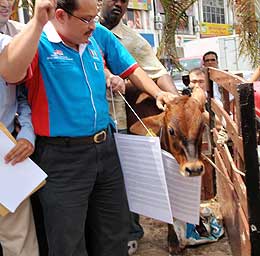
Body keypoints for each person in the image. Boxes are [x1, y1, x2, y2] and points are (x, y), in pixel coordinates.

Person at [0, 0, 175, 255]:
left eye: (94, 17)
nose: (94, 25)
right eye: (86, 19)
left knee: (113, 233)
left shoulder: (98, 36)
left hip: (105, 149)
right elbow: (12, 74)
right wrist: (37, 21)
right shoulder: (37, 42)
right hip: (61, 159)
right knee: (68, 241)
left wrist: (157, 92)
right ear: (60, 15)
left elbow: (130, 67)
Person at [97, 0, 179, 254]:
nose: (119, 4)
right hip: (86, 122)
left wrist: (175, 100)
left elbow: (154, 71)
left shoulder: (131, 40)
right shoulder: (79, 32)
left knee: (125, 181)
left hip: (121, 121)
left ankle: (131, 232)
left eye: (124, 1)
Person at [0, 34, 39, 256]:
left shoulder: (10, 45)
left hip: (8, 157)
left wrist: (27, 133)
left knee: (19, 243)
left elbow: (24, 97)